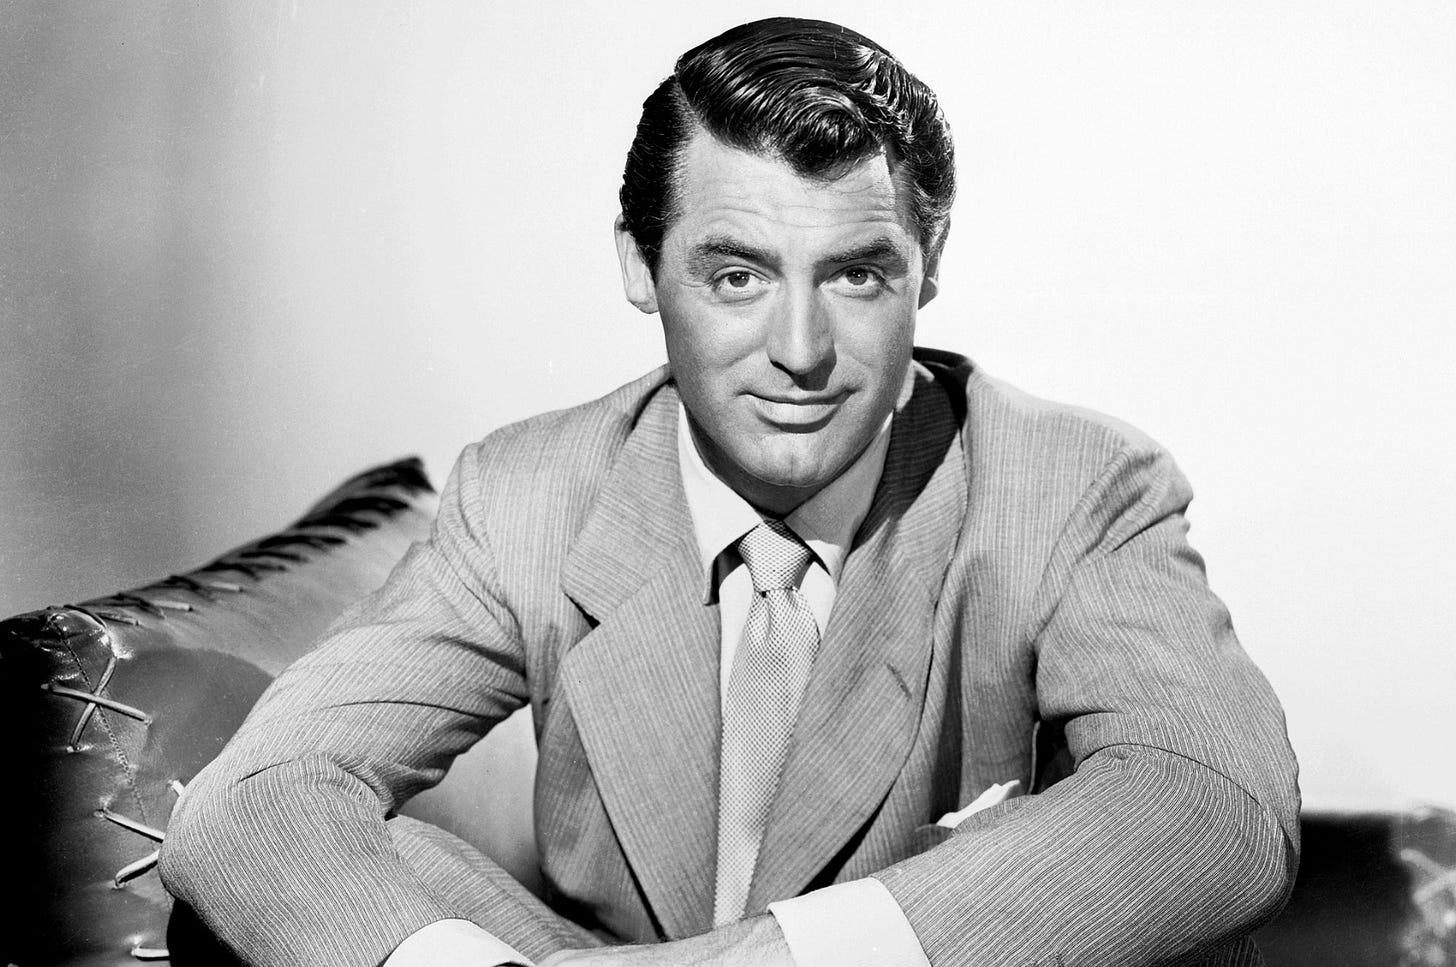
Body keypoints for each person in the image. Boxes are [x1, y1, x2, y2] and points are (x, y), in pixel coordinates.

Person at [158, 17, 1300, 967]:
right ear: (638, 264)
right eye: (738, 275)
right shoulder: (527, 494)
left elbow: (1213, 801)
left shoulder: (1072, 485)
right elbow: (256, 797)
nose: (799, 350)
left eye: (857, 275)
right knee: (322, 892)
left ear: (930, 263)